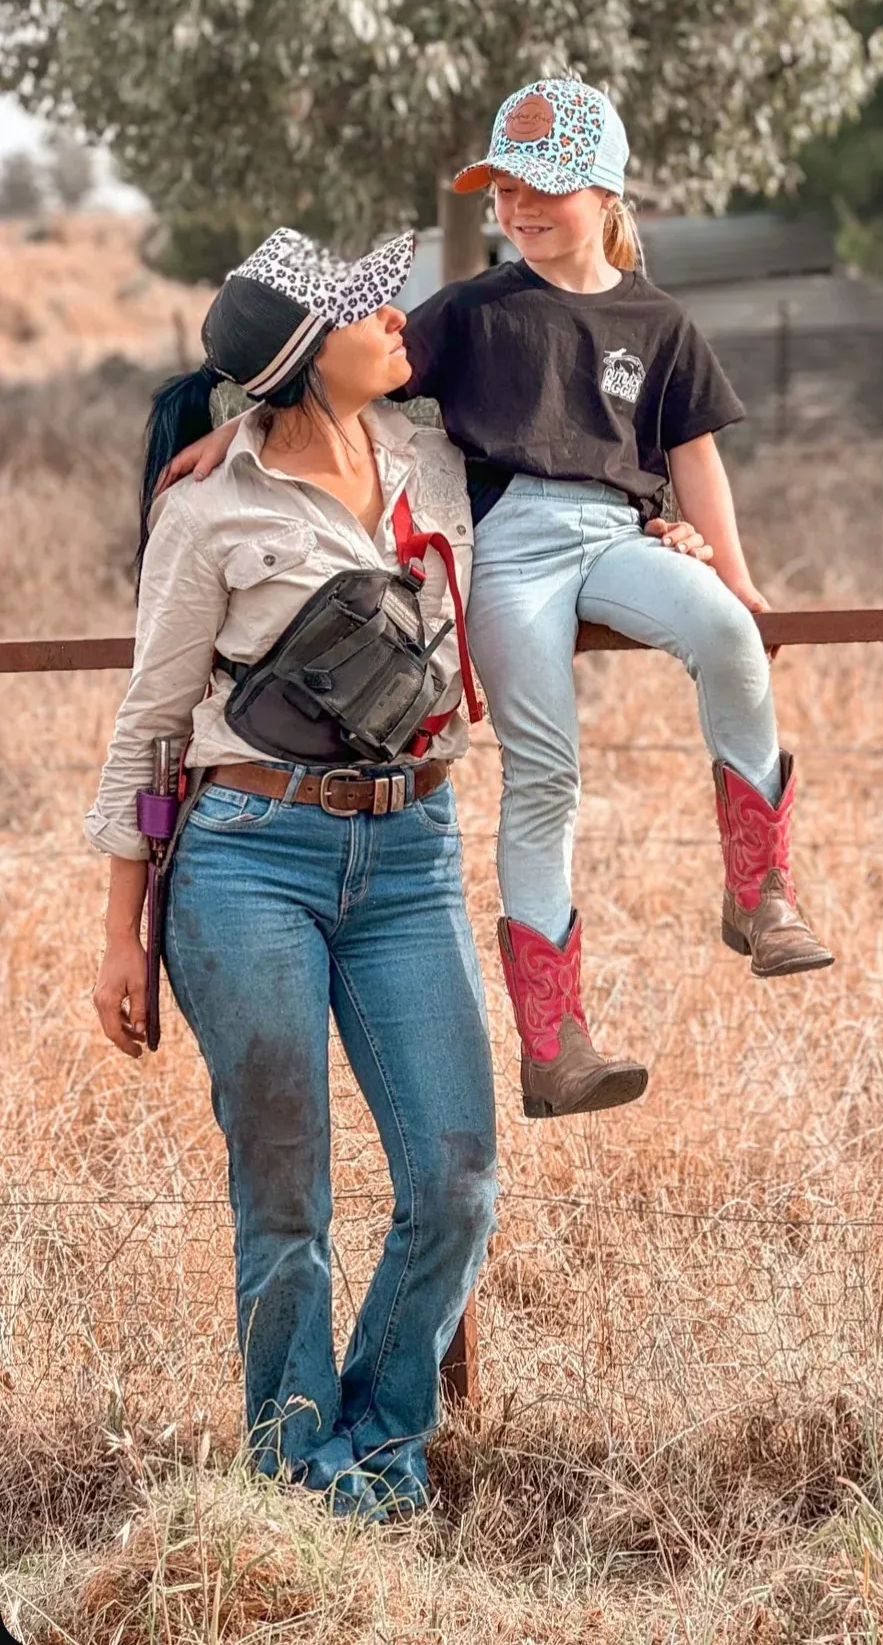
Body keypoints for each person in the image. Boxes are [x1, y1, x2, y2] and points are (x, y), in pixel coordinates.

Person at [163, 80, 832, 1128]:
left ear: (606, 191)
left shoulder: (659, 322)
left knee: (726, 632)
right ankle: (556, 1043)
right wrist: (238, 426)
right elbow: (337, 372)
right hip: (509, 547)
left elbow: (694, 457)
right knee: (545, 771)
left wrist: (736, 576)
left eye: (543, 190)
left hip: (615, 534)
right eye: (503, 190)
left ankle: (761, 892)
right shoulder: (475, 307)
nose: (517, 209)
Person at [87, 226, 501, 1519]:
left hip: (414, 856)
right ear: (309, 355)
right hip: (247, 861)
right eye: (367, 310)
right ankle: (297, 1468)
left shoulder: (436, 457)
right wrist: (120, 930)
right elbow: (152, 719)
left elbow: (581, 460)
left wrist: (672, 541)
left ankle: (383, 1444)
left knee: (456, 1175)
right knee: (285, 1195)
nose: (398, 320)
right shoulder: (208, 511)